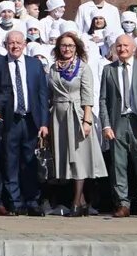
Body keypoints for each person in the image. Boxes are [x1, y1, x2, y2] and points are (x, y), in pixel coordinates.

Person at [0, 29, 51, 217]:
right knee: (10, 161)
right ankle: (15, 201)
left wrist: (44, 123)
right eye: (11, 43)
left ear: (25, 45)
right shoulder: (0, 65)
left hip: (31, 120)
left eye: (18, 43)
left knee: (29, 162)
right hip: (9, 121)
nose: (15, 46)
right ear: (6, 45)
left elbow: (43, 96)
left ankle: (32, 201)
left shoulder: (35, 65)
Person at [94, 31, 137, 217]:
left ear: (133, 48)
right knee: (118, 164)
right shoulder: (109, 69)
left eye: (126, 45)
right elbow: (103, 99)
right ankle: (122, 203)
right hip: (117, 121)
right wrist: (106, 125)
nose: (122, 49)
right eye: (119, 46)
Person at [40, 31, 100, 216]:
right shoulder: (53, 68)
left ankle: (76, 202)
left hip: (77, 114)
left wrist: (87, 120)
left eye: (71, 46)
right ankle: (80, 202)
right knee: (66, 159)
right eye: (64, 45)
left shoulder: (83, 68)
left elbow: (87, 96)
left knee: (79, 159)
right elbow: (49, 94)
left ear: (77, 48)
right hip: (58, 115)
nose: (67, 49)